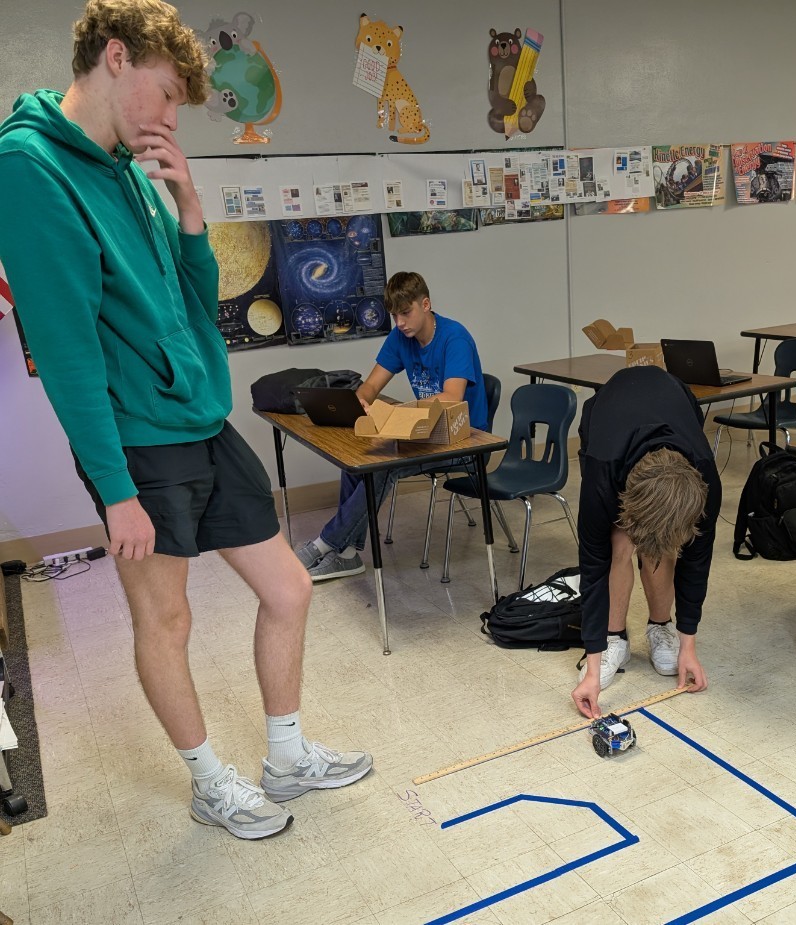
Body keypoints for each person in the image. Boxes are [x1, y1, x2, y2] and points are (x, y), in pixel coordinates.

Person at [0, 0, 371, 840]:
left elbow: (197, 307)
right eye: (166, 96)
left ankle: (285, 755)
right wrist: (114, 488)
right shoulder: (29, 168)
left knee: (289, 586)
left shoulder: (133, 166)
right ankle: (209, 781)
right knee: (166, 619)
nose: (171, 119)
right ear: (117, 59)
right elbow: (65, 353)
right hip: (140, 441)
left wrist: (193, 213)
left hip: (203, 418)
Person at [297, 270, 488, 581]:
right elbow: (370, 385)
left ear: (425, 304)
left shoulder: (455, 338)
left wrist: (400, 412)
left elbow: (452, 398)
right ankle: (347, 554)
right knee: (358, 460)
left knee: (384, 466)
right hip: (425, 432)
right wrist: (361, 401)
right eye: (394, 315)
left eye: (405, 313)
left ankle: (325, 544)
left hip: (466, 439)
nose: (399, 323)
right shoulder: (401, 337)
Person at [570, 365, 721, 720]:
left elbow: (696, 567)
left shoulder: (705, 484)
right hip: (606, 420)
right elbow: (593, 570)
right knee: (618, 545)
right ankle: (613, 639)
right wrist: (592, 671)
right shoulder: (601, 477)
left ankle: (660, 628)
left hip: (675, 398)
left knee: (664, 548)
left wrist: (689, 645)